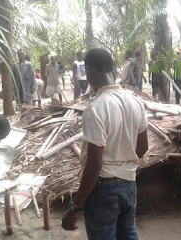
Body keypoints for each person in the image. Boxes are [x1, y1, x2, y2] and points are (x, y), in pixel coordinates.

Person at [61, 48, 148, 239]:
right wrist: (123, 163)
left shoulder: (95, 109)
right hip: (129, 183)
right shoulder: (136, 102)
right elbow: (142, 148)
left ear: (91, 71)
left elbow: (94, 165)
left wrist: (75, 207)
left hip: (104, 189)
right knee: (128, 233)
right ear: (112, 69)